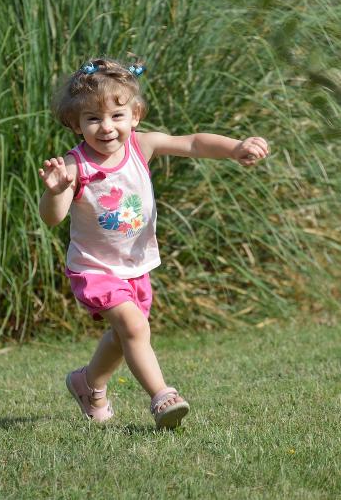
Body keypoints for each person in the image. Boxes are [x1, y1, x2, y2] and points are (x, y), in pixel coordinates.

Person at [38, 57, 269, 429]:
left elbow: (192, 143)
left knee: (123, 334)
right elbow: (53, 217)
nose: (106, 127)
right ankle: (162, 397)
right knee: (133, 327)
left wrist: (234, 147)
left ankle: (88, 383)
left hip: (136, 264)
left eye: (116, 115)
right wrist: (56, 191)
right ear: (75, 123)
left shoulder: (141, 147)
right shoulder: (75, 165)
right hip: (95, 269)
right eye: (93, 118)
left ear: (135, 116)